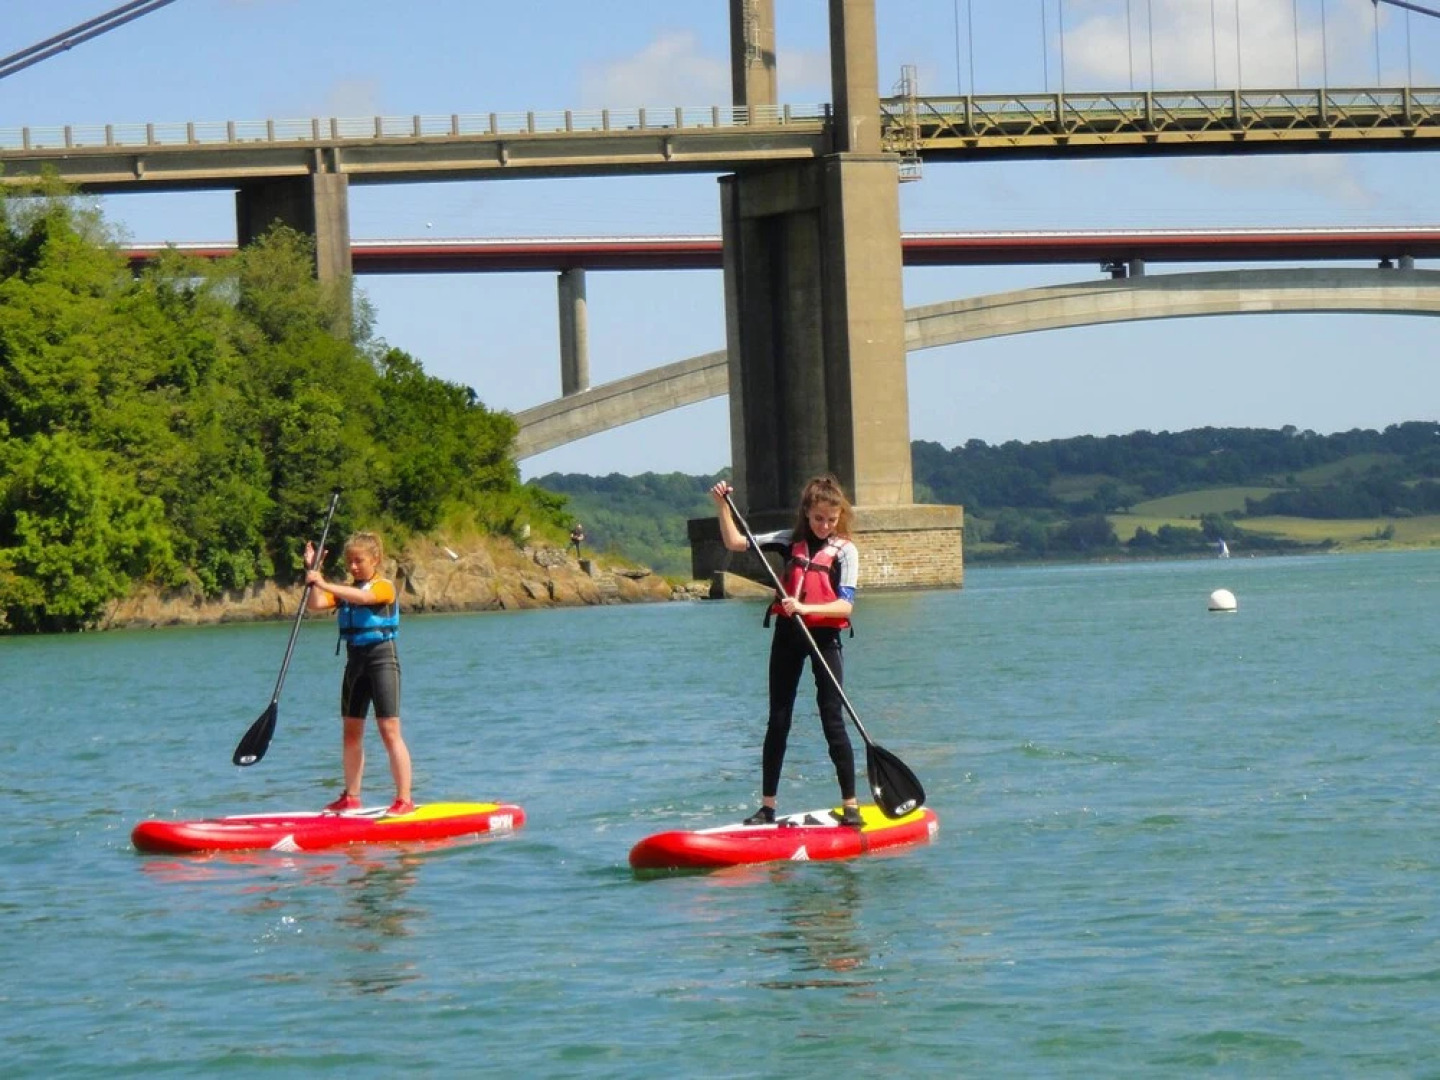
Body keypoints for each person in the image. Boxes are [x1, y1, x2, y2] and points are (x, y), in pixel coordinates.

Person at [710, 476, 862, 828]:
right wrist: (721, 505)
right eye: (819, 518)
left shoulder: (845, 551)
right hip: (788, 637)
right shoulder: (785, 540)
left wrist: (805, 609)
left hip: (824, 638)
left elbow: (846, 606)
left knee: (832, 719)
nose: (825, 525)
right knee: (778, 720)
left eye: (832, 519)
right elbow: (734, 541)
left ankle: (850, 805)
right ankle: (767, 807)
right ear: (807, 513)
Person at [304, 531, 414, 816]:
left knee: (389, 730)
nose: (353, 566)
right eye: (349, 562)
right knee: (351, 733)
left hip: (381, 659)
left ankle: (404, 799)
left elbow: (364, 598)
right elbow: (315, 604)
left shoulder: (384, 587)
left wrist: (325, 583)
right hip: (355, 662)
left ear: (375, 560)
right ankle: (351, 797)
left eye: (359, 561)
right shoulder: (346, 591)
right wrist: (313, 571)